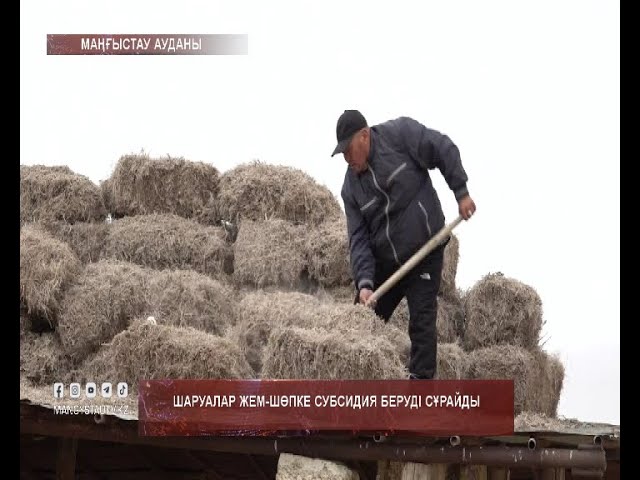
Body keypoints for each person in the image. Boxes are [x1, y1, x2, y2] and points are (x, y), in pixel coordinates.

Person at [332, 110, 476, 379]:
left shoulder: (400, 136)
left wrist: (461, 192)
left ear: (364, 136)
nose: (347, 159)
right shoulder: (350, 188)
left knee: (422, 322)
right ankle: (352, 394)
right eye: (342, 154)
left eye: (348, 151)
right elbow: (358, 239)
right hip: (387, 261)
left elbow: (442, 147)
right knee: (360, 323)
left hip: (425, 250)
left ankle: (420, 395)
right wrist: (364, 283)